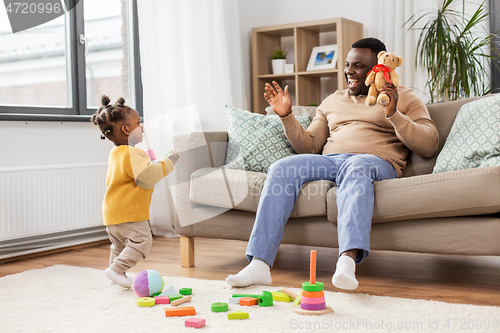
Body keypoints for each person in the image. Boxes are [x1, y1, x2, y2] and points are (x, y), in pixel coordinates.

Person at [225, 37, 439, 290]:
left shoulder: (404, 97)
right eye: (348, 64)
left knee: (356, 165)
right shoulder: (333, 100)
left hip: (376, 163)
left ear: (379, 69)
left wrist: (393, 113)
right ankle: (259, 264)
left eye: (358, 66)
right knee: (282, 167)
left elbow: (429, 144)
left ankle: (347, 262)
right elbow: (311, 146)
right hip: (331, 162)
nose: (349, 71)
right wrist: (286, 115)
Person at [91, 95, 180, 288]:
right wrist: (168, 162)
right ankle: (116, 270)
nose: (142, 128)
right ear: (126, 129)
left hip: (112, 213)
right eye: (139, 123)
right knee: (142, 241)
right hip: (129, 213)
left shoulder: (116, 153)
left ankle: (115, 272)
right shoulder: (133, 153)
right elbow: (149, 175)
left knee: (119, 246)